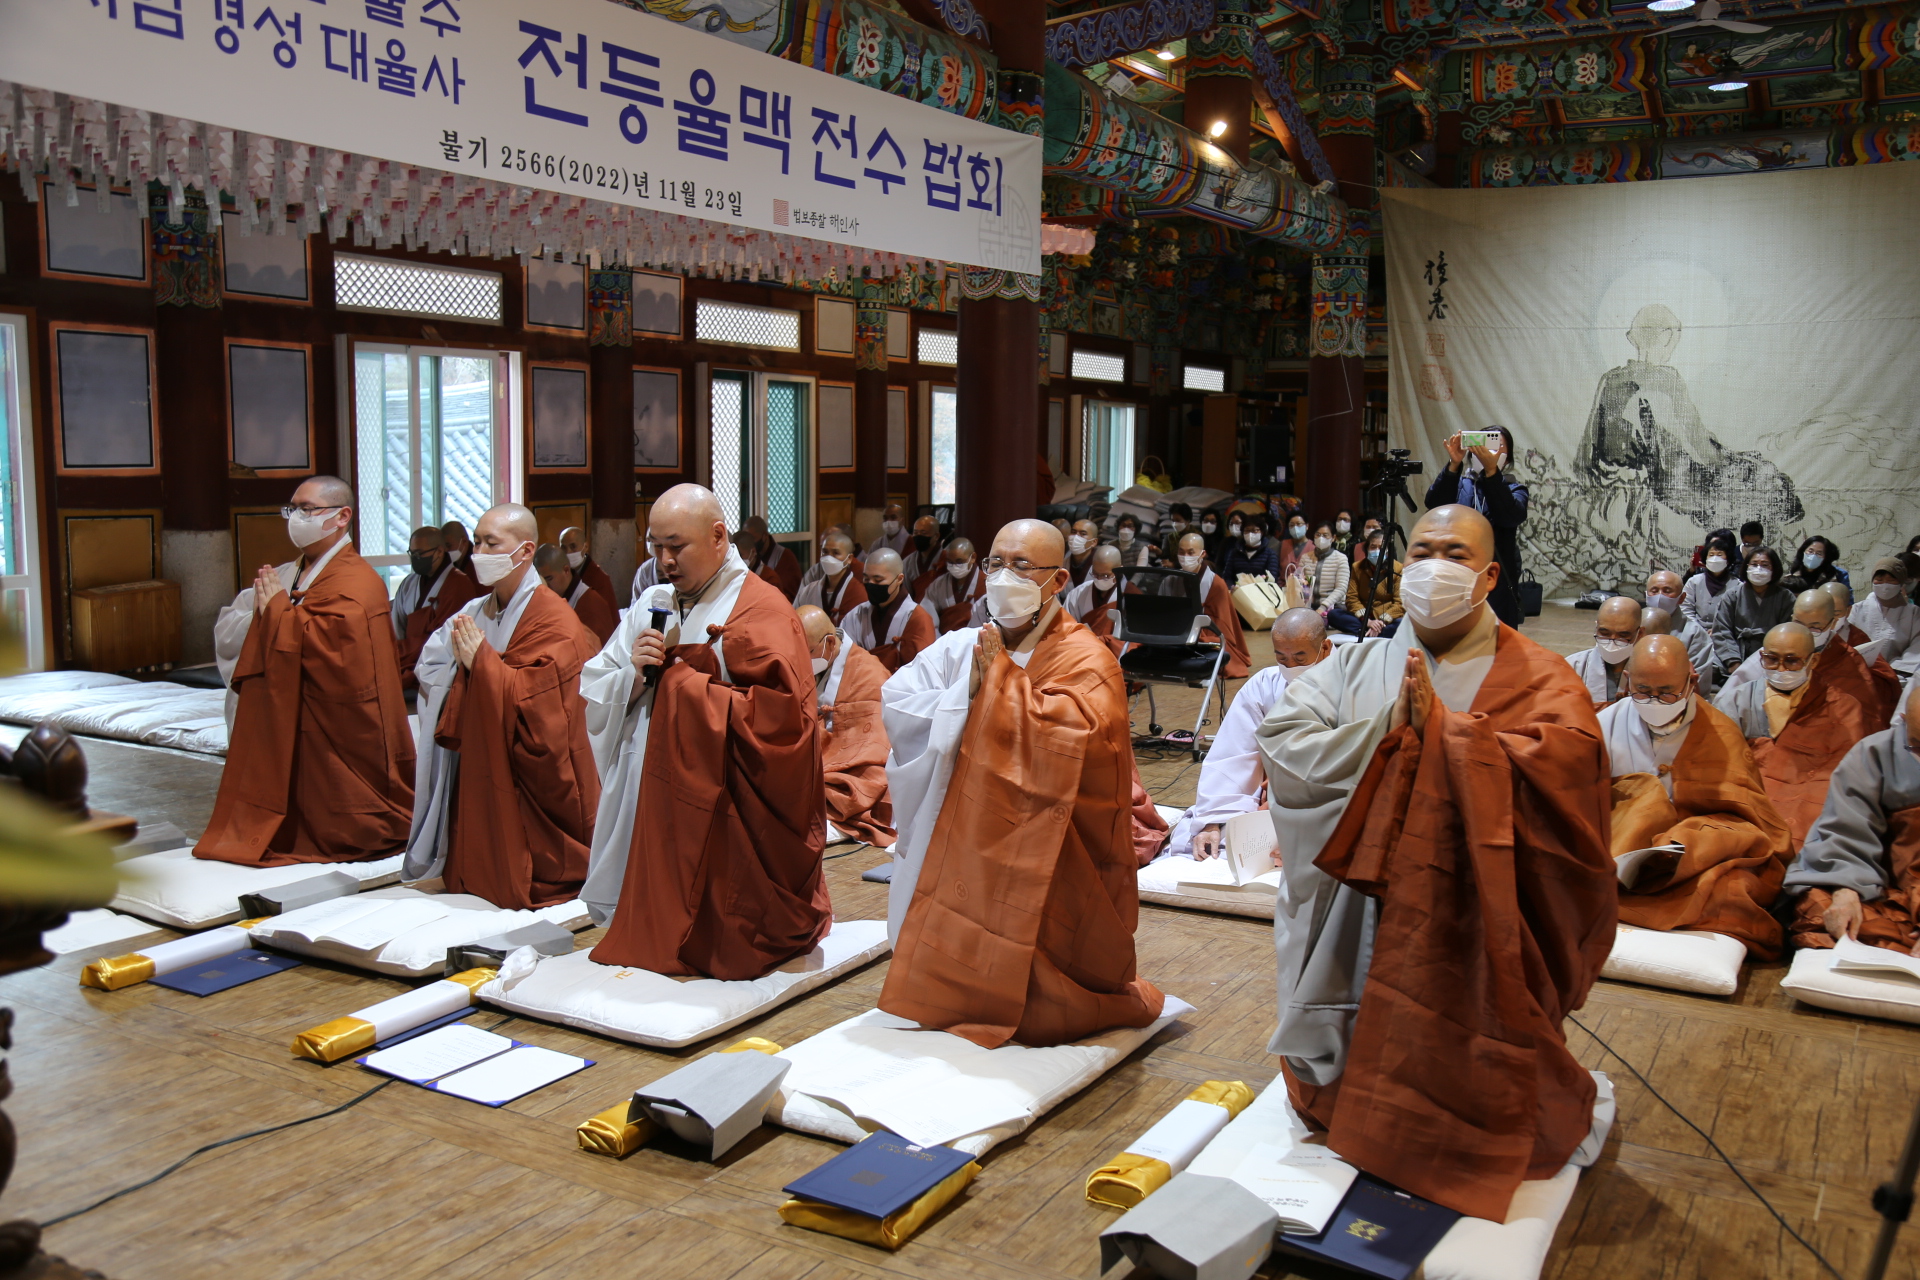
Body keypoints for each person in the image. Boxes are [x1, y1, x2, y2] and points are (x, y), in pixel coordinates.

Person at [1255, 503, 1613, 1221]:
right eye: (1421, 552)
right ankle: (1358, 1099)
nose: (1434, 567)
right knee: (1354, 1025)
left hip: (1474, 908)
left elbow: (1570, 779)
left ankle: (1457, 1115)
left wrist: (1448, 737)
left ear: (1489, 574)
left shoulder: (1543, 677)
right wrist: (1385, 733)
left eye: (1455, 553)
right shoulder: (1354, 662)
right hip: (1362, 904)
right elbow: (1284, 738)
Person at [876, 519, 1167, 1048]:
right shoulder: (966, 646)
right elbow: (896, 699)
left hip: (1046, 837)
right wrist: (966, 696)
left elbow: (1086, 741)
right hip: (970, 821)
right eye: (994, 563)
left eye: (1020, 566)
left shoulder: (1086, 657)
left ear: (1057, 582)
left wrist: (1001, 690)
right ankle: (964, 988)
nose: (1001, 576)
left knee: (1042, 997)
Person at [578, 484, 831, 979]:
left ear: (719, 536)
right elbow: (596, 680)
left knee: (708, 924)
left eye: (677, 546)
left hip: (717, 799)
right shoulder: (652, 600)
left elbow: (784, 724)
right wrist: (633, 674)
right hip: (642, 773)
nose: (664, 560)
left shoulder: (761, 609)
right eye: (655, 547)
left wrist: (683, 682)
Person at [196, 478, 417, 867]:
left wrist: (278, 616)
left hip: (342, 720)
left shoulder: (356, 581)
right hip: (295, 711)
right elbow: (238, 621)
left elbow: (343, 660)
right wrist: (273, 614)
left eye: (308, 509)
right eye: (292, 509)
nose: (296, 517)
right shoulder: (287, 573)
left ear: (341, 516)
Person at [403, 505, 598, 908]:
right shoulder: (474, 610)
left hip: (533, 774)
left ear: (525, 551)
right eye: (476, 542)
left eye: (492, 543)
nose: (479, 552)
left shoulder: (554, 618)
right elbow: (430, 666)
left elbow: (547, 710)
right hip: (482, 753)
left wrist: (483, 667)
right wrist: (469, 671)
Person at [1596, 636, 1793, 958]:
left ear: (1691, 681)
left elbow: (1748, 820)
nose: (1655, 701)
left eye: (1667, 692)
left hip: (1692, 860)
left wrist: (1687, 839)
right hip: (1617, 847)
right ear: (1627, 680)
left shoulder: (1720, 732)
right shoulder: (1605, 724)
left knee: (1735, 894)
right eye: (1643, 692)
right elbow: (1579, 800)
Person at [1165, 609, 1332, 860]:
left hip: (1331, 798)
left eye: (1300, 657)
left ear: (1325, 648)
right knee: (1211, 842)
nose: (1290, 666)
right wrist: (1214, 821)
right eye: (1281, 658)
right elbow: (1234, 753)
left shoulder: (1352, 684)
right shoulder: (1265, 684)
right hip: (1279, 795)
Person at [1714, 620, 1895, 846]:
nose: (1780, 669)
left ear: (1813, 660)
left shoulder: (1843, 707)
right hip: (1752, 797)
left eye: (1791, 661)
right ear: (1762, 657)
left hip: (1814, 799)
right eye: (1771, 659)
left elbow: (1845, 773)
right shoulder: (1736, 700)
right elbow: (1720, 765)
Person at [1784, 681, 1920, 955]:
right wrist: (1845, 887)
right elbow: (1846, 827)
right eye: (1917, 745)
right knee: (1822, 911)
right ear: (1903, 723)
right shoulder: (1873, 753)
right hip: (1879, 885)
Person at [799, 605, 894, 848]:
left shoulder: (870, 674)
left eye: (805, 652)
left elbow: (876, 744)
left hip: (852, 766)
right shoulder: (810, 662)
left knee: (870, 779)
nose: (799, 660)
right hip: (816, 759)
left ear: (830, 643)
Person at [1423, 425, 1530, 628]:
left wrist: (1492, 472)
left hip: (1497, 579)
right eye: (1484, 444)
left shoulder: (1515, 489)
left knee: (1498, 643)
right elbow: (1434, 506)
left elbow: (1510, 516)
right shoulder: (1460, 483)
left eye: (1497, 446)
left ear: (1507, 458)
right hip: (1457, 576)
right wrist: (1454, 464)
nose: (1489, 451)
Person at [389, 525, 483, 692]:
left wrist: (407, 650)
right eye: (412, 553)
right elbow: (397, 625)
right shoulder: (409, 583)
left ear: (439, 552)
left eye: (420, 554)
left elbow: (447, 637)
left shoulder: (459, 584)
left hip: (439, 666)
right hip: (406, 659)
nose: (415, 558)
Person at [841, 547, 935, 674]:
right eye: (866, 579)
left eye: (878, 580)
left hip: (901, 690)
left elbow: (923, 670)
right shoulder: (855, 616)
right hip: (861, 687)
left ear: (899, 579)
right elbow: (843, 660)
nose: (871, 584)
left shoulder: (917, 618)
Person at [1175, 532, 1250, 678]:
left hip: (1206, 634)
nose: (1185, 557)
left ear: (1203, 554)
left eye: (1191, 552)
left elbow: (1222, 623)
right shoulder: (1172, 579)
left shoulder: (1216, 584)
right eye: (1181, 552)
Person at [1711, 545, 1793, 670]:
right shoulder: (1732, 595)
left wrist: (1772, 660)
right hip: (1735, 652)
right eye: (1754, 564)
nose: (1758, 569)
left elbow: (1788, 632)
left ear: (1774, 569)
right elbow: (1722, 631)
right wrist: (1733, 662)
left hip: (1771, 657)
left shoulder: (1785, 597)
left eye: (1765, 565)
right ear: (1746, 567)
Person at [1644, 569, 1717, 693]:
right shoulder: (1632, 626)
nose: (1659, 596)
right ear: (1646, 594)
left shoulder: (1695, 634)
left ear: (1681, 598)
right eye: (1654, 591)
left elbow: (1697, 680)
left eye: (1667, 591)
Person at [1565, 595, 1643, 707]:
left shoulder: (1650, 672)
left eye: (1623, 635)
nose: (1612, 641)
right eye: (1604, 633)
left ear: (1639, 634)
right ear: (1596, 628)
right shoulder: (1572, 667)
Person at [535, 543, 617, 645]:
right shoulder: (551, 597)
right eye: (540, 580)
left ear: (566, 570)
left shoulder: (590, 605)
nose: (544, 586)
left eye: (549, 579)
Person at [1853, 557, 1920, 677]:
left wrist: (1896, 670)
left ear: (1901, 583)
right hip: (1858, 671)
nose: (1885, 585)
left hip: (1898, 674)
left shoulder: (1913, 613)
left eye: (1891, 580)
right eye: (1879, 579)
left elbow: (1917, 646)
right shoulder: (1857, 609)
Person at [1329, 529, 1401, 639]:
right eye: (1373, 547)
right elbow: (1352, 598)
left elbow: (1399, 603)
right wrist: (1368, 621)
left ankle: (1367, 631)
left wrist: (1381, 621)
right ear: (1367, 549)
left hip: (1387, 620)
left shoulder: (1399, 569)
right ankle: (1370, 630)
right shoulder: (1357, 567)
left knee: (1404, 623)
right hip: (1364, 618)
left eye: (1381, 547)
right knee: (1334, 615)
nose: (1377, 550)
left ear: (1388, 550)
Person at [793, 530, 864, 624]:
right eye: (825, 552)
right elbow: (794, 619)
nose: (828, 557)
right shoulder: (808, 591)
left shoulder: (858, 593)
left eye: (836, 553)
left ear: (849, 559)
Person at [919, 538, 986, 636]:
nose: (954, 566)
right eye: (950, 562)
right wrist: (939, 642)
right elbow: (927, 617)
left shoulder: (986, 583)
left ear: (973, 557)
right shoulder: (938, 584)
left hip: (975, 641)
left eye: (959, 562)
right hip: (942, 642)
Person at [738, 515, 802, 601]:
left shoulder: (784, 557)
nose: (749, 543)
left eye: (752, 538)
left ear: (764, 536)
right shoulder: (749, 560)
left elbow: (791, 598)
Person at [1682, 533, 1739, 629]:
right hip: (1695, 631)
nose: (1715, 558)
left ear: (1728, 559)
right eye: (1711, 555)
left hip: (1725, 631)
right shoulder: (1694, 581)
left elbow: (1738, 614)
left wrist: (1718, 629)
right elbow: (1686, 609)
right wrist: (1698, 630)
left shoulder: (1737, 585)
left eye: (1720, 555)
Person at [558, 526, 618, 612]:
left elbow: (607, 615)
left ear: (585, 547)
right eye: (563, 548)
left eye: (573, 546)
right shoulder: (557, 574)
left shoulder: (600, 579)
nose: (568, 552)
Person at [1222, 513, 1280, 583]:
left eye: (1255, 530)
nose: (1250, 534)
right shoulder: (1234, 553)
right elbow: (1227, 576)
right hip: (1237, 591)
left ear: (1262, 532)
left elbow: (1272, 578)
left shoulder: (1270, 554)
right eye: (1247, 530)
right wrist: (1232, 587)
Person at [1306, 522, 1350, 614]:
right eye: (1318, 535)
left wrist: (1323, 607)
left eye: (1325, 535)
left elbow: (1341, 588)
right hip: (1310, 605)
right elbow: (1302, 585)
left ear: (1333, 538)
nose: (1321, 538)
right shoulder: (1305, 557)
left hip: (1334, 607)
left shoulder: (1341, 558)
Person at [901, 515, 947, 591]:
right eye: (915, 533)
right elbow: (906, 593)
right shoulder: (907, 562)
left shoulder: (946, 559)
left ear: (936, 536)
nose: (919, 536)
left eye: (924, 533)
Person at [1066, 518, 1101, 586]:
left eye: (1083, 534)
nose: (1076, 537)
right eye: (1073, 532)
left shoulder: (1101, 563)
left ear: (1094, 542)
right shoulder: (1063, 561)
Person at [1278, 513, 1313, 578]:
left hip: (1304, 587)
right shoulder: (1283, 544)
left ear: (1307, 526)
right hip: (1283, 585)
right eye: (1291, 525)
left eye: (1299, 524)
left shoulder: (1313, 547)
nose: (1295, 527)